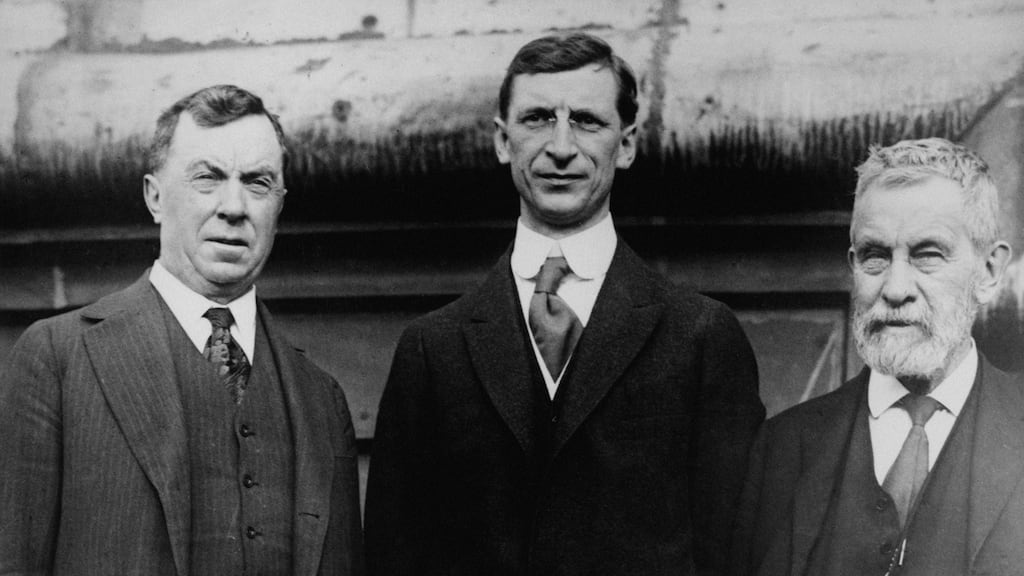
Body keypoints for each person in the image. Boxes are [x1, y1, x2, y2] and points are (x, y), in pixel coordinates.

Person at [364, 32, 764, 575]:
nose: (560, 146)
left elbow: (734, 553)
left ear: (626, 145)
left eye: (586, 120)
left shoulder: (700, 335)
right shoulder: (433, 349)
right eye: (536, 119)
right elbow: (394, 557)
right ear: (503, 141)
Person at [0, 85, 365, 575]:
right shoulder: (58, 360)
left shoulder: (321, 400)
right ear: (155, 197)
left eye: (257, 182)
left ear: (279, 203)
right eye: (207, 178)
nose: (233, 206)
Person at [730, 138, 1022, 576]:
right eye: (875, 257)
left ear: (988, 272)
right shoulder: (781, 451)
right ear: (853, 265)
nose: (895, 288)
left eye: (927, 255)